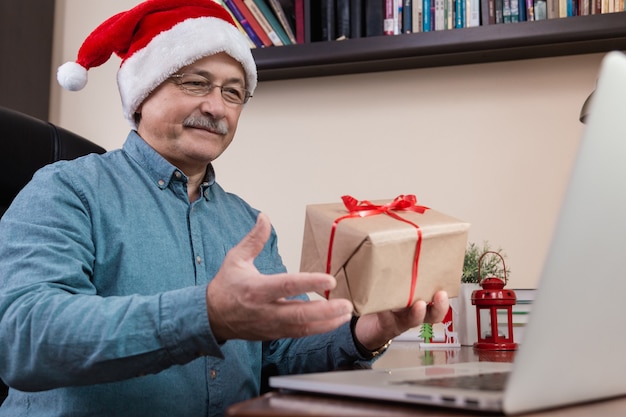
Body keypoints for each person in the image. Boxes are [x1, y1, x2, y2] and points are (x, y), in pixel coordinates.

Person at [0, 0, 449, 415]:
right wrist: (206, 314)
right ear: (142, 93)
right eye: (195, 82)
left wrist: (365, 333)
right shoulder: (66, 189)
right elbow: (23, 338)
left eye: (234, 93)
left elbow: (278, 356)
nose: (216, 107)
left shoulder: (247, 223)